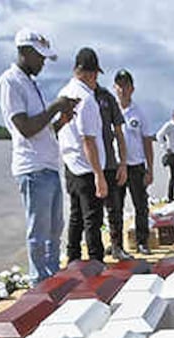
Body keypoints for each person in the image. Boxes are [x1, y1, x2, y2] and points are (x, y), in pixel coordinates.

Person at [0, 29, 79, 282]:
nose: (43, 62)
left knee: (55, 230)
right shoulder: (10, 82)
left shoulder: (30, 83)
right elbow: (26, 128)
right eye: (40, 57)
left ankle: (53, 276)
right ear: (24, 51)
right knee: (39, 232)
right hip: (32, 168)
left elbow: (42, 130)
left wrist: (61, 121)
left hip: (49, 166)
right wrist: (55, 105)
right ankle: (39, 282)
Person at [58, 47, 109, 262]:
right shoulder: (86, 99)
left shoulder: (63, 94)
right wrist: (99, 175)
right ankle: (96, 263)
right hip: (88, 168)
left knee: (76, 216)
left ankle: (73, 260)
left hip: (70, 166)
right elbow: (89, 140)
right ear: (90, 73)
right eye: (95, 74)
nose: (96, 80)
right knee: (93, 220)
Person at [114, 69, 154, 254]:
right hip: (116, 166)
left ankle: (142, 242)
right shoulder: (110, 111)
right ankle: (117, 245)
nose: (123, 89)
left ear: (132, 88)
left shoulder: (139, 112)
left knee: (140, 205)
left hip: (136, 165)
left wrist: (150, 169)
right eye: (119, 85)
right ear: (115, 88)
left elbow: (147, 141)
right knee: (116, 207)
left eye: (126, 86)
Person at [94, 81, 132, 259]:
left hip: (109, 163)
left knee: (115, 209)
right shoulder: (76, 95)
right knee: (91, 214)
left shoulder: (106, 98)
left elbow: (119, 132)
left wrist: (123, 163)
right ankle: (95, 255)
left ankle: (117, 246)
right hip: (87, 166)